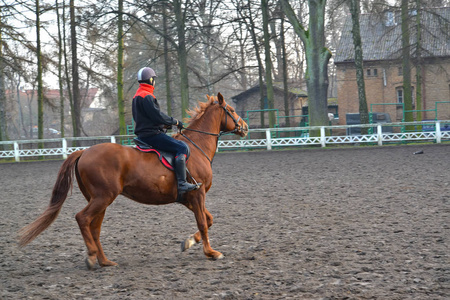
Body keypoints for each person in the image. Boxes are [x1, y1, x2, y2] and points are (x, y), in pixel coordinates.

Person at [132, 67, 199, 193]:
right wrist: (175, 122)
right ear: (151, 80)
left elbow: (147, 117)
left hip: (143, 133)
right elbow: (158, 115)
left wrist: (163, 125)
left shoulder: (137, 96)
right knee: (182, 147)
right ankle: (182, 183)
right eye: (154, 79)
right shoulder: (147, 96)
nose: (155, 82)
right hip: (151, 135)